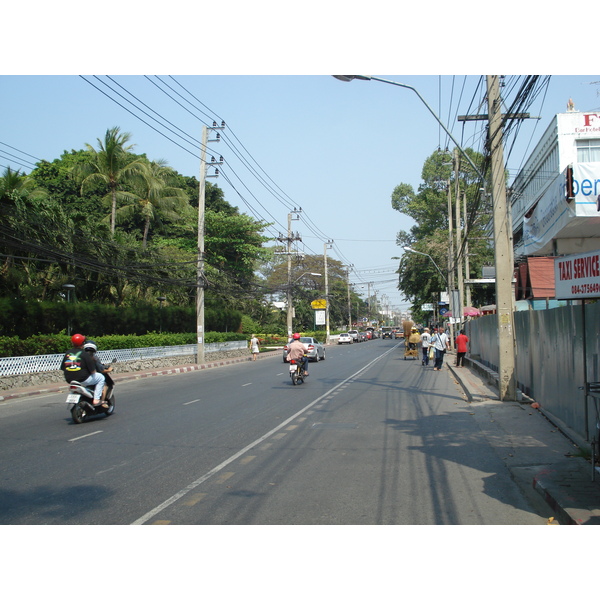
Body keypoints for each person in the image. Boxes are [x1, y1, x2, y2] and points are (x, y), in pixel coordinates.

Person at [60, 333, 105, 406]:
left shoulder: (68, 353)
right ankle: (96, 399)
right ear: (82, 343)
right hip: (83, 379)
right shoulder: (84, 354)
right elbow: (93, 371)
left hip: (69, 379)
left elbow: (63, 368)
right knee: (101, 378)